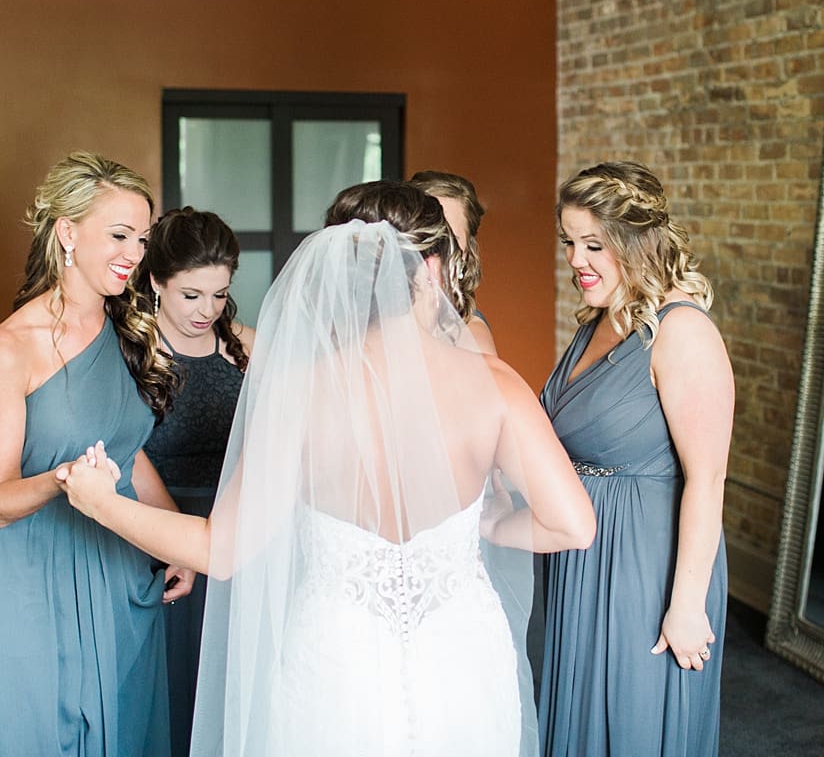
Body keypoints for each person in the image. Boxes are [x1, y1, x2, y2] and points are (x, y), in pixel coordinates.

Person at [59, 179, 596, 757]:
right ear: (432, 270)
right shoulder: (495, 385)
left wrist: (101, 503)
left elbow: (220, 550)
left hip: (337, 657)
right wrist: (493, 526)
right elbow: (572, 525)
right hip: (461, 657)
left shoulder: (300, 394)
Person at [0, 151, 194, 757]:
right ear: (68, 233)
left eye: (141, 238)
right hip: (36, 573)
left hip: (118, 560)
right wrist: (61, 478)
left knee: (124, 727)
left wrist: (175, 540)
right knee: (45, 733)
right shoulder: (10, 349)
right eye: (119, 235)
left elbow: (127, 451)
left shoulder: (128, 330)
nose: (135, 253)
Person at [537, 161, 733, 756]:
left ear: (637, 243)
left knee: (632, 721)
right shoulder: (599, 322)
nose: (575, 259)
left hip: (646, 568)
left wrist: (686, 606)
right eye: (569, 242)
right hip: (581, 556)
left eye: (593, 245)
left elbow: (708, 479)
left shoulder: (683, 332)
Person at [140, 206, 254, 757]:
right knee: (170, 688)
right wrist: (172, 542)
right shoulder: (129, 352)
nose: (207, 310)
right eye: (191, 295)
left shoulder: (247, 346)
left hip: (237, 529)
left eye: (219, 295)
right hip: (156, 531)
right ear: (156, 283)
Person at [410, 169, 497, 354]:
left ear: (467, 255)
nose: (435, 253)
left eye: (450, 241)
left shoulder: (472, 342)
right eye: (427, 237)